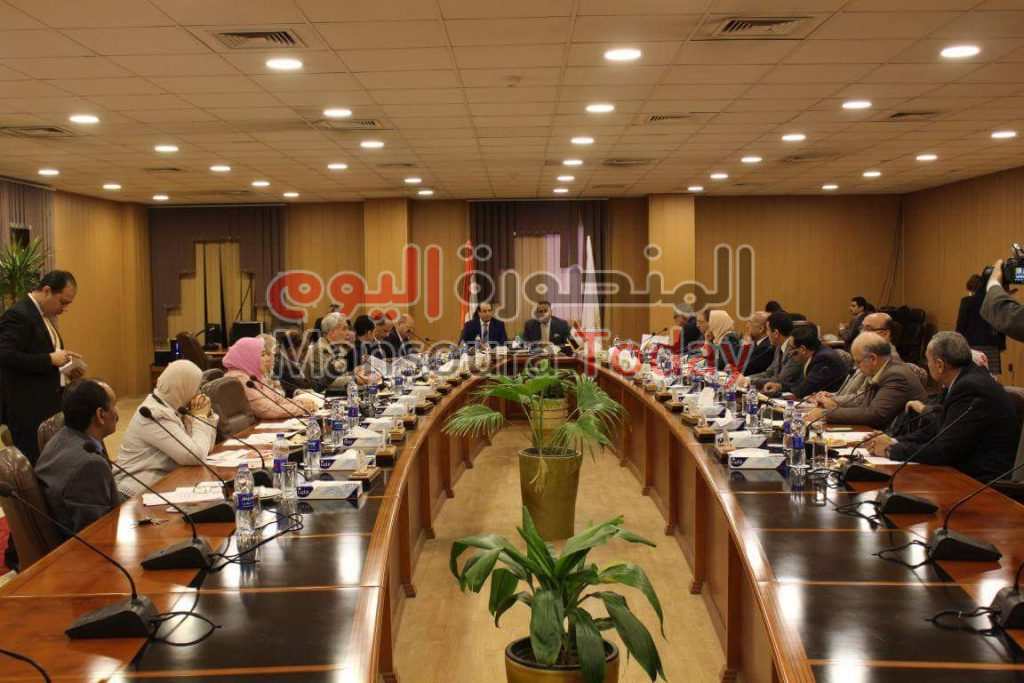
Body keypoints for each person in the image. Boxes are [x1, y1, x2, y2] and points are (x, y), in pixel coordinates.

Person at [866, 332, 1018, 482]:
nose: (928, 365)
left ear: (939, 365)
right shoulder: (963, 379)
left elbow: (945, 450)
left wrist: (890, 450)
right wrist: (893, 441)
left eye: (928, 361)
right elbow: (938, 428)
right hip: (964, 468)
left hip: (981, 480)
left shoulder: (970, 387)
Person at [0, 270, 80, 465]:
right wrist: (50, 359)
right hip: (28, 410)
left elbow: (38, 352)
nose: (65, 309)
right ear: (47, 291)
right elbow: (5, 355)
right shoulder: (19, 314)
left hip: (47, 406)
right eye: (63, 302)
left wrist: (65, 362)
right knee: (36, 466)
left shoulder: (41, 315)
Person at [114, 360, 220, 496]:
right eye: (196, 387)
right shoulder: (153, 414)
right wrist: (201, 418)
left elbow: (204, 449)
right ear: (183, 386)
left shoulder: (172, 406)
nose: (198, 393)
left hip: (160, 486)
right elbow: (196, 456)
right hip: (134, 493)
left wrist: (206, 415)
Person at [34, 379, 122, 536]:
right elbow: (98, 535)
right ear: (100, 415)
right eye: (114, 406)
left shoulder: (61, 437)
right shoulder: (90, 465)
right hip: (84, 546)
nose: (117, 414)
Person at [807, 333, 926, 429]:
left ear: (873, 358)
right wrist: (835, 405)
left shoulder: (895, 375)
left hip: (900, 438)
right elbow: (864, 405)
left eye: (858, 362)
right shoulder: (881, 370)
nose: (857, 367)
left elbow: (875, 415)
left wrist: (825, 414)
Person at [223, 337, 318, 419]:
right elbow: (267, 410)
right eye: (262, 355)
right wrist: (302, 408)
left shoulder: (254, 375)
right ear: (248, 357)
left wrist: (300, 403)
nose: (268, 358)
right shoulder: (240, 378)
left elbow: (278, 400)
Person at [769, 324, 846, 398]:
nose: (789, 353)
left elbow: (802, 391)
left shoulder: (823, 359)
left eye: (791, 348)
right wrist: (779, 386)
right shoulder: (815, 354)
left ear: (803, 349)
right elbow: (801, 384)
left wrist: (774, 394)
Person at [834, 312, 901, 397]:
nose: (861, 333)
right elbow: (851, 391)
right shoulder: (867, 353)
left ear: (885, 333)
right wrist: (832, 395)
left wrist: (834, 400)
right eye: (861, 328)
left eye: (867, 329)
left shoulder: (886, 359)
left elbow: (862, 398)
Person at [739, 312, 801, 393]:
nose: (767, 334)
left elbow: (781, 379)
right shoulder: (778, 346)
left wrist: (750, 381)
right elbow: (769, 372)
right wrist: (747, 378)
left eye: (768, 330)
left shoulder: (793, 349)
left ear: (776, 333)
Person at [957, 273, 1004, 374]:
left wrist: (958, 345)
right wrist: (1001, 345)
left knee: (972, 375)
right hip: (992, 346)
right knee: (991, 377)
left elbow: (961, 325)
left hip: (972, 345)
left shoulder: (967, 301)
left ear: (972, 289)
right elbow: (1000, 324)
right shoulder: (994, 302)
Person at [304, 312, 355, 392]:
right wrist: (353, 379)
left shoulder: (339, 349)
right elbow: (322, 383)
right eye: (344, 329)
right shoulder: (318, 350)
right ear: (332, 332)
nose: (348, 333)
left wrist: (355, 373)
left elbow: (340, 375)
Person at [351, 314, 384, 384]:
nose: (374, 336)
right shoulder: (354, 349)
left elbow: (380, 360)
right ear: (369, 333)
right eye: (374, 332)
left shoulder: (367, 345)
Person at [742, 311, 774, 376]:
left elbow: (746, 369)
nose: (747, 326)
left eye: (750, 323)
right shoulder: (757, 343)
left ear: (761, 329)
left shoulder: (766, 347)